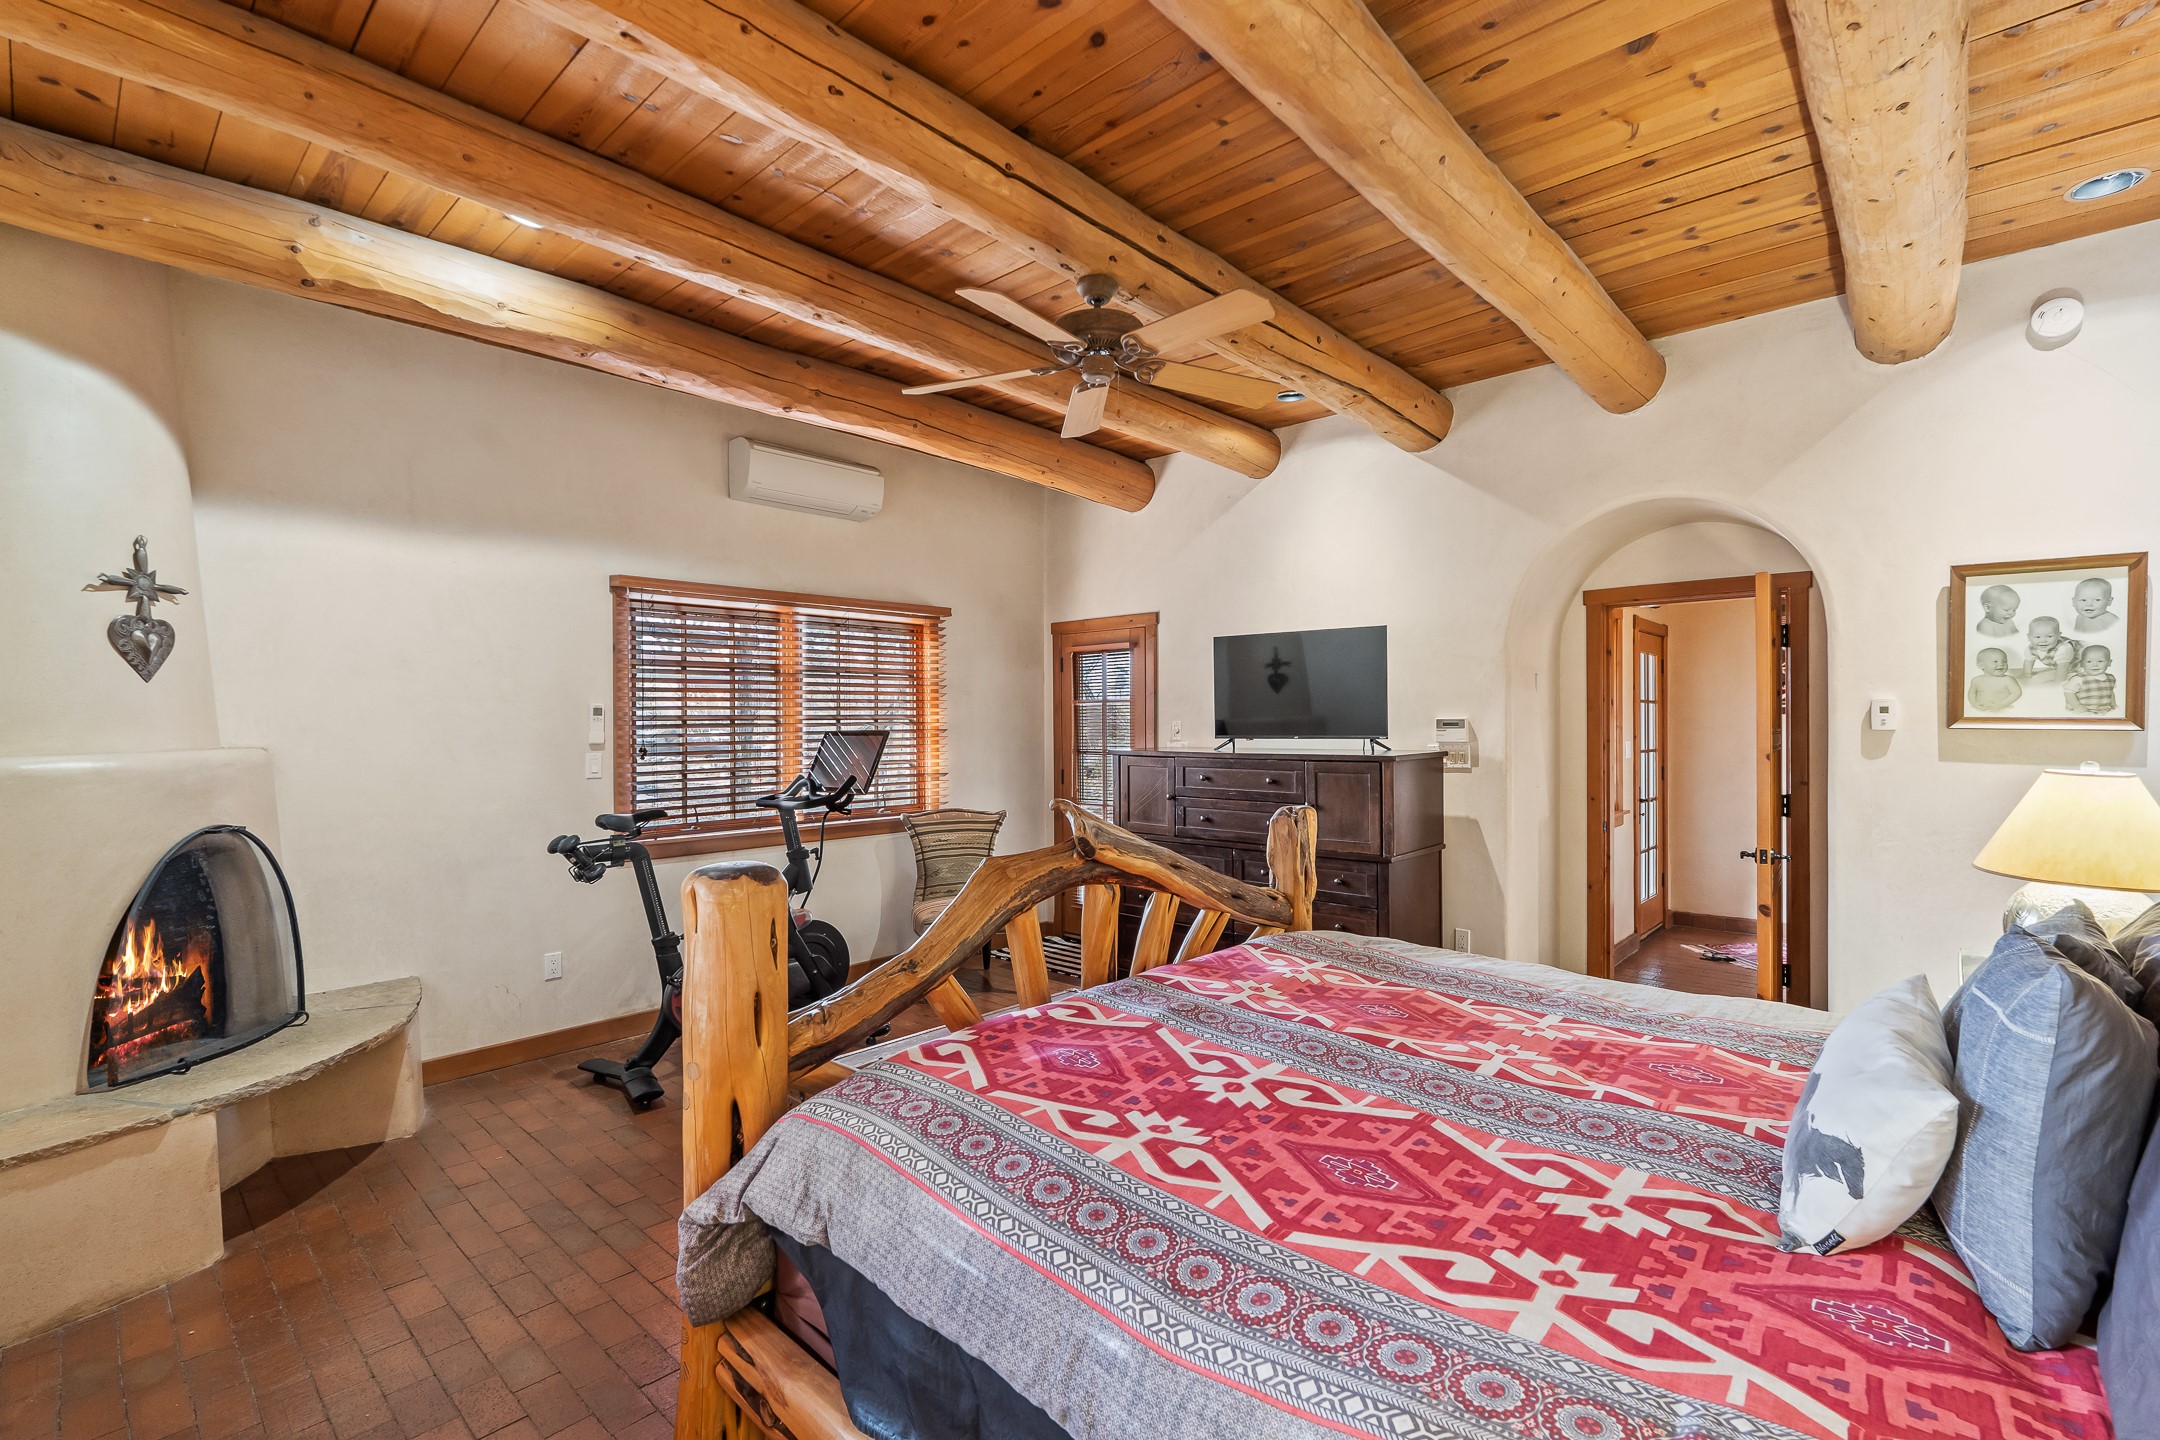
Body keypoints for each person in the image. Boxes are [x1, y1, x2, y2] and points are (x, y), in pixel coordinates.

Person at [2022, 616, 2080, 683]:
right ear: (2029, 637)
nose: (2043, 640)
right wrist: (2027, 675)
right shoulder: (2031, 649)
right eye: (2037, 637)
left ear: (2058, 636)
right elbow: (2028, 661)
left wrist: (2057, 681)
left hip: (2081, 664)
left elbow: (2063, 666)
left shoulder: (2063, 648)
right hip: (2066, 667)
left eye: (2049, 636)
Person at [2066, 644, 2118, 715]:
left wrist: (2113, 705)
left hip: (2103, 711)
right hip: (2083, 711)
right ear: (2082, 663)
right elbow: (2068, 693)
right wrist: (2077, 707)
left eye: (2100, 661)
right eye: (2089, 661)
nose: (2094, 665)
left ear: (2109, 663)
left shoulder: (2111, 678)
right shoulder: (2079, 678)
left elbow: (2110, 692)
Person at [1967, 648, 2022, 712]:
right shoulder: (1976, 680)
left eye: (2004, 661)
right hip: (1981, 709)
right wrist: (1974, 704)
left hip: (2002, 709)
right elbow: (1972, 693)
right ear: (1981, 665)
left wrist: (2002, 704)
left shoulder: (2008, 680)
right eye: (1995, 661)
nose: (2001, 664)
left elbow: (2017, 693)